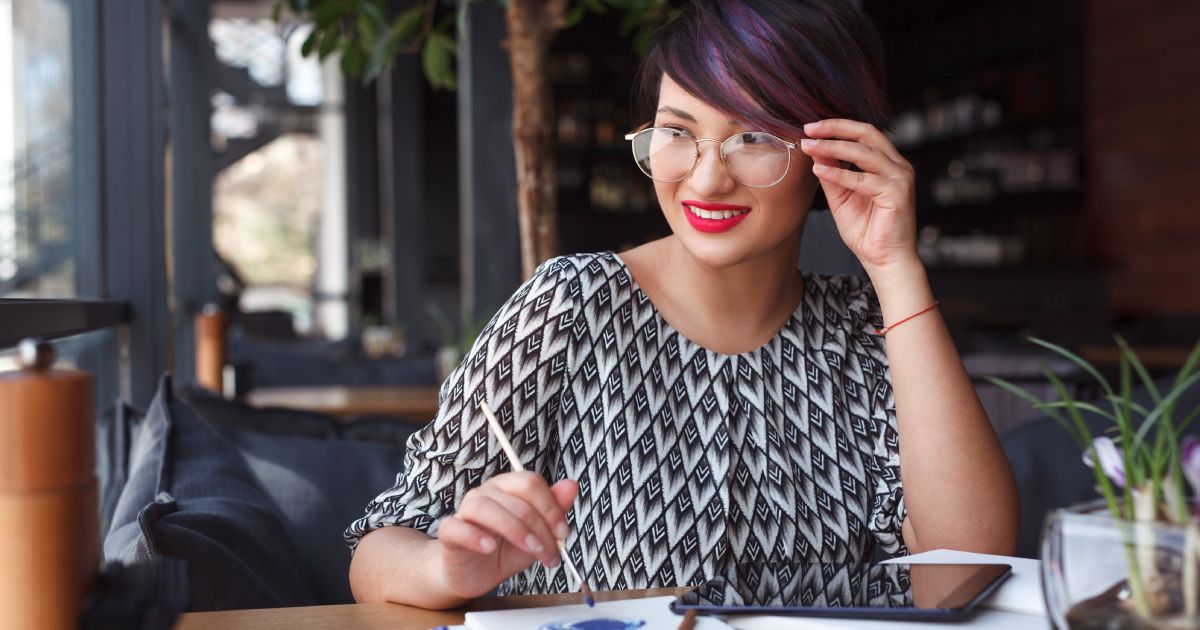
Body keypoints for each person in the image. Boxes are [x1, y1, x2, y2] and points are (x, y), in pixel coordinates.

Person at [346, 0, 1019, 608]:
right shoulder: (571, 307)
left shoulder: (866, 333)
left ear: (836, 151)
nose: (705, 176)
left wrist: (896, 267)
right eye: (677, 131)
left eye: (753, 135)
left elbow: (964, 575)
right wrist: (448, 569)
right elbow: (378, 547)